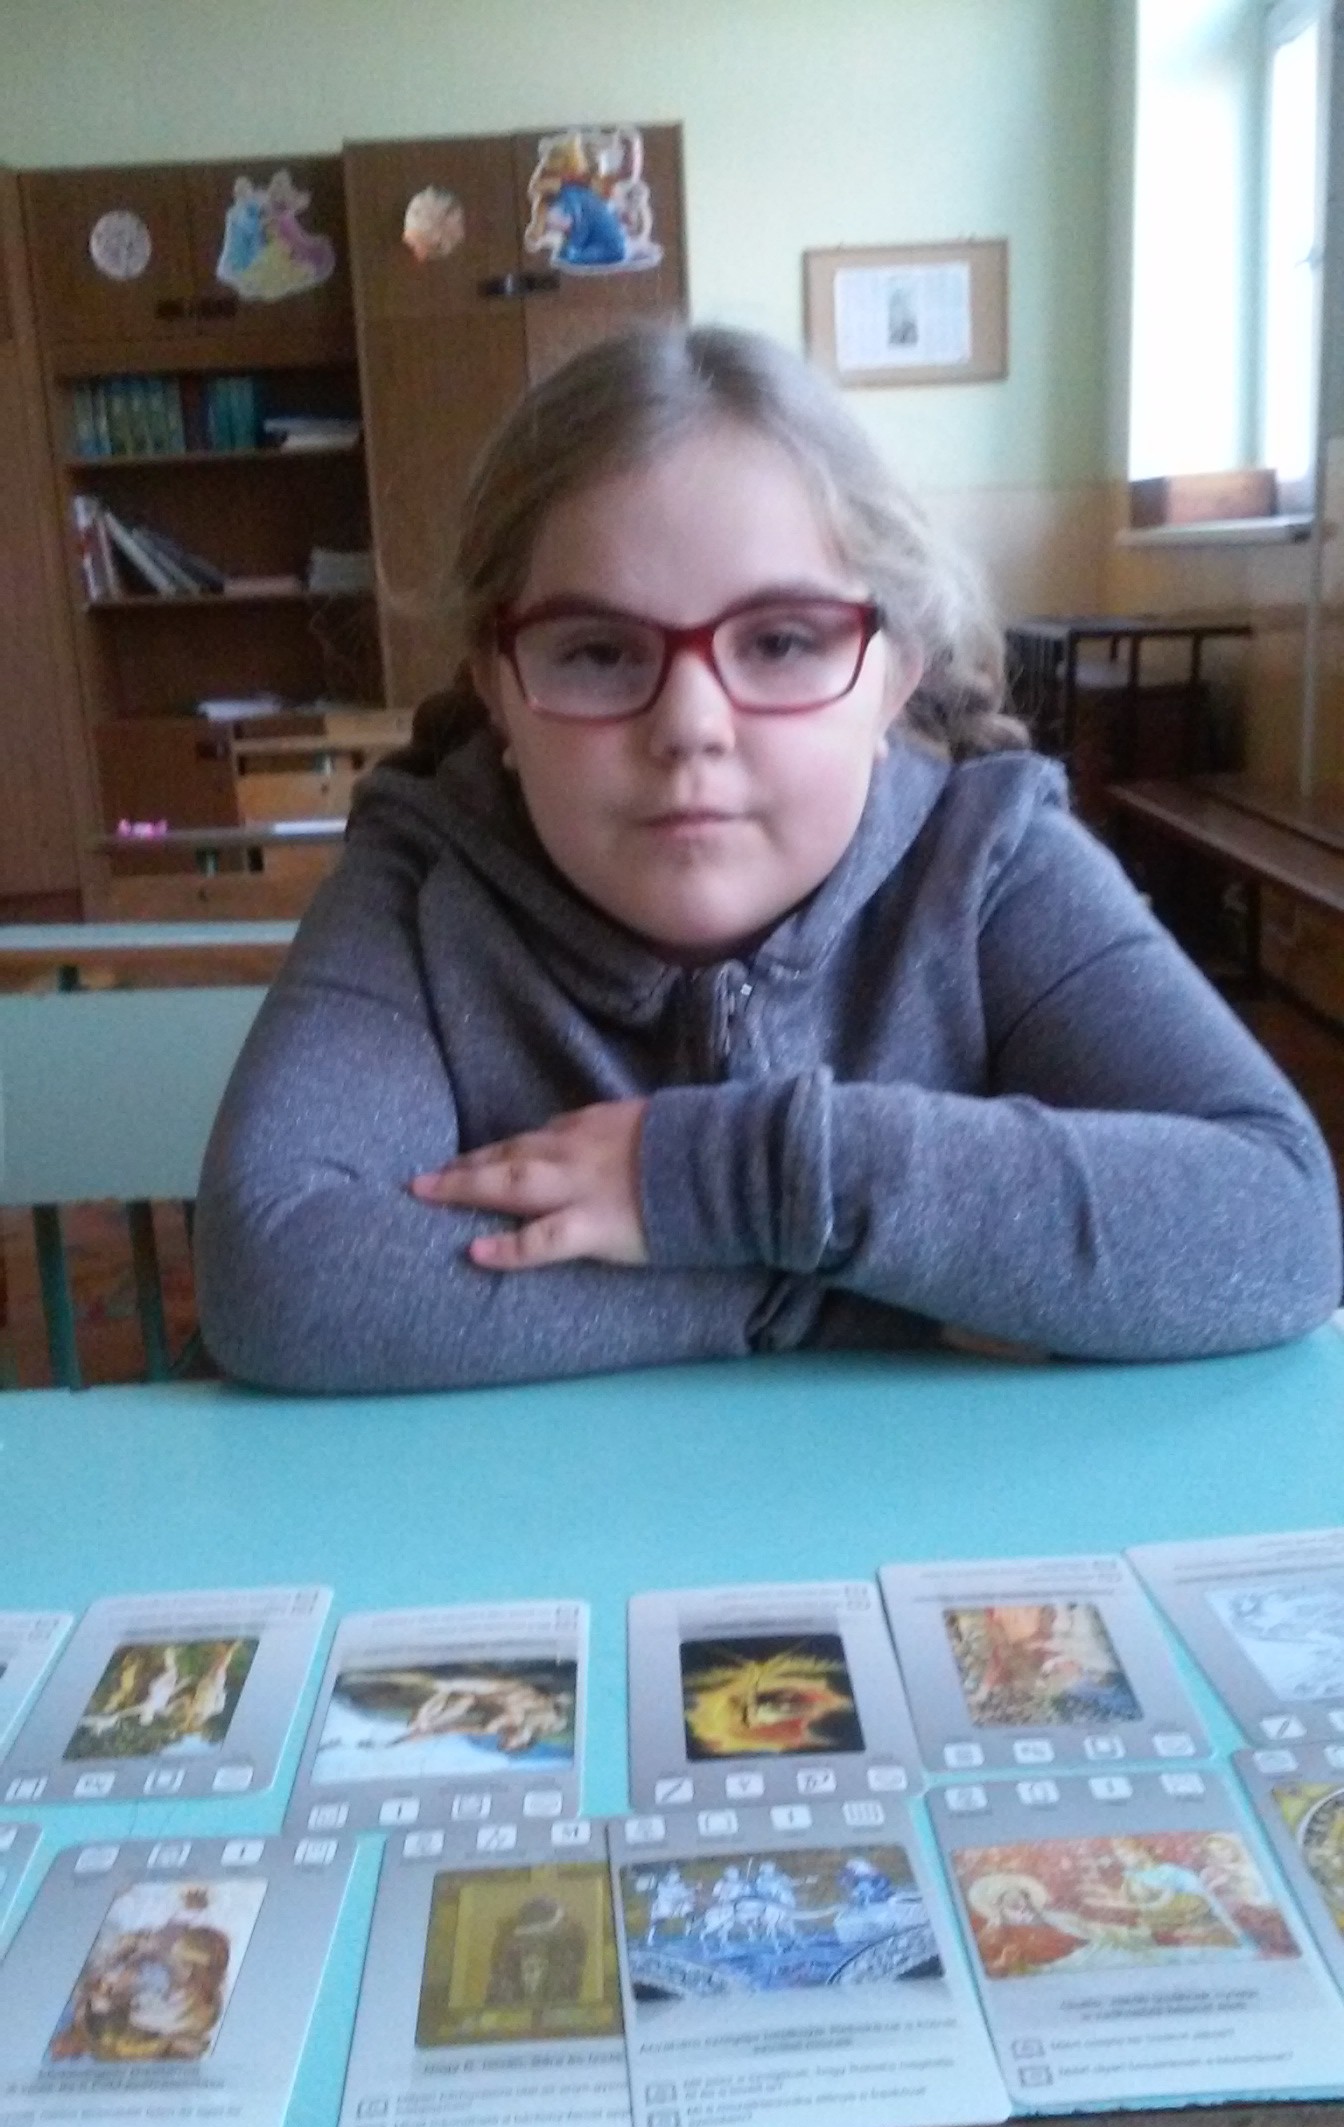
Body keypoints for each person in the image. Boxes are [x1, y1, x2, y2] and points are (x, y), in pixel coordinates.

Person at [193, 324, 1342, 1393]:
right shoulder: (421, 884)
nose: (690, 725)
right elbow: (279, 1271)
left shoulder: (990, 858)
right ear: (498, 686)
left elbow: (1276, 1223)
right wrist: (849, 1293)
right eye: (597, 651)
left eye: (783, 641)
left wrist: (729, 1174)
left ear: (892, 675)